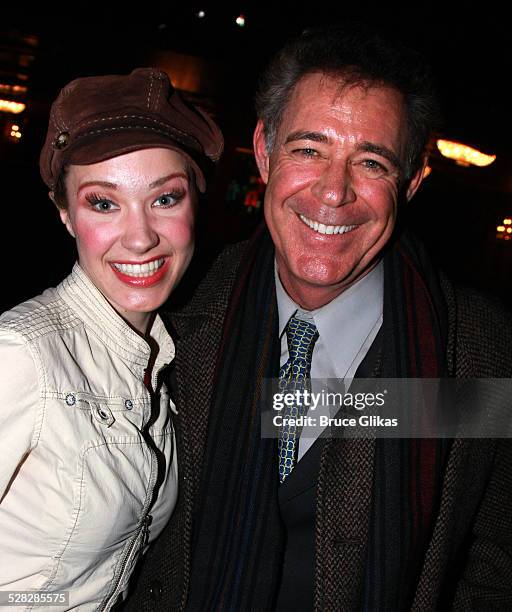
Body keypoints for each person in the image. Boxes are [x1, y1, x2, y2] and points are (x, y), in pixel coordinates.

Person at [124, 25, 512, 612]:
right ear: (263, 152)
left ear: (412, 181)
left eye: (372, 163)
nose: (334, 192)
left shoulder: (474, 349)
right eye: (309, 150)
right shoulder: (177, 311)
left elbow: (496, 564)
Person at [0, 68, 222, 610]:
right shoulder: (22, 354)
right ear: (66, 215)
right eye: (104, 203)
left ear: (195, 202)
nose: (141, 236)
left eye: (165, 198)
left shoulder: (169, 361)